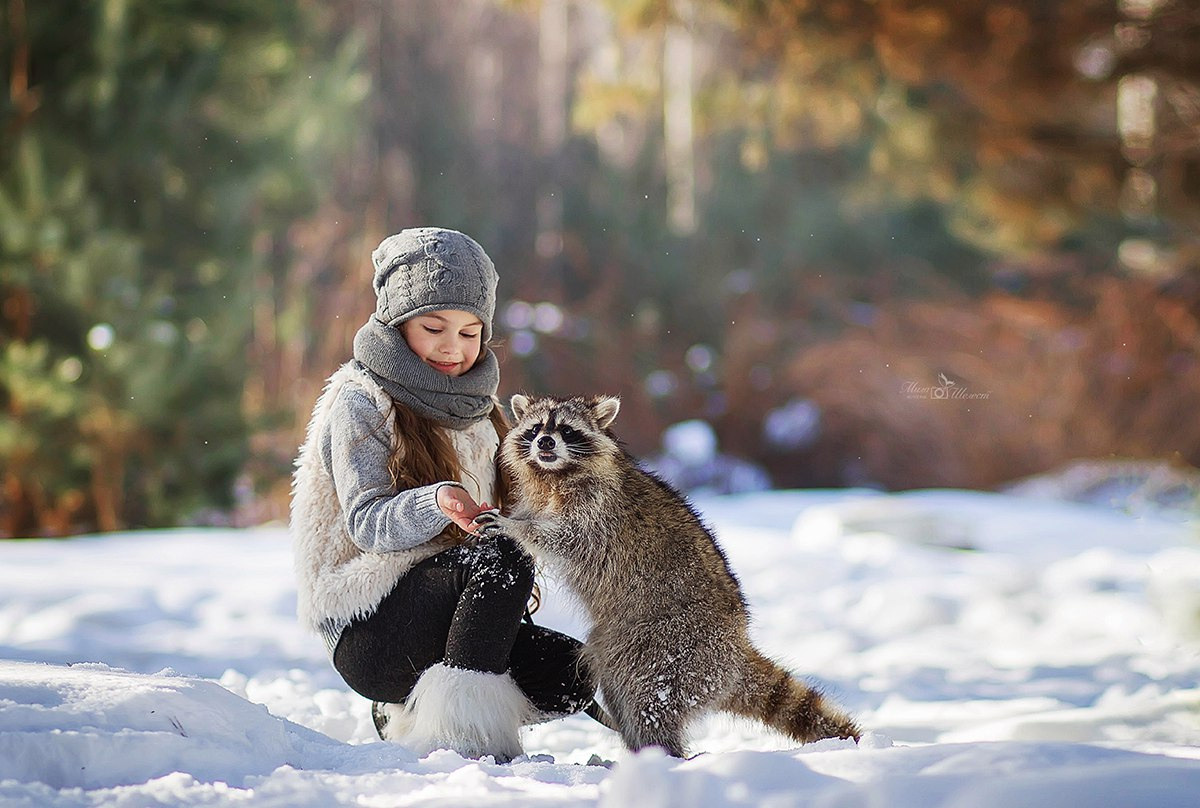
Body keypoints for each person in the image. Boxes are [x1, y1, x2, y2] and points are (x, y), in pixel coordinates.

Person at [290, 227, 597, 762]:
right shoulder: (361, 400)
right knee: (500, 553)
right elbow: (367, 521)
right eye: (434, 327)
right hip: (371, 625)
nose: (453, 347)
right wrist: (436, 502)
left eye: (471, 331)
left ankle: (415, 707)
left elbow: (522, 515)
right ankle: (461, 739)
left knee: (578, 674)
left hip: (450, 612)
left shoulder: (483, 412)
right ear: (395, 321)